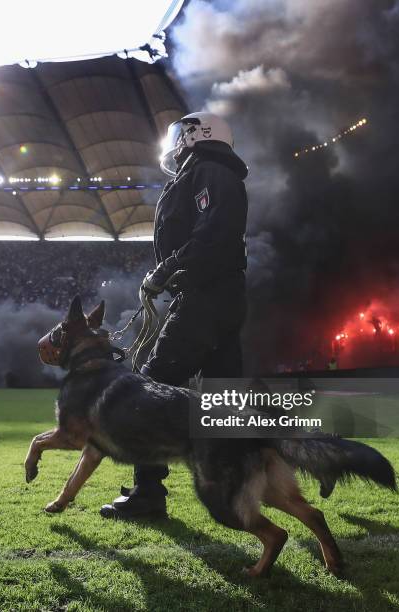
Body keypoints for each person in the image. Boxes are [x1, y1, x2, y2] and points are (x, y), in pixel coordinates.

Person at [100, 112, 249, 519]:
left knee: (146, 392)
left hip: (204, 298)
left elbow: (213, 235)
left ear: (196, 135)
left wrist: (164, 272)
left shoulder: (209, 173)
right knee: (225, 401)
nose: (175, 142)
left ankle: (148, 494)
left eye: (180, 134)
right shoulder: (208, 174)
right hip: (219, 298)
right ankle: (242, 483)